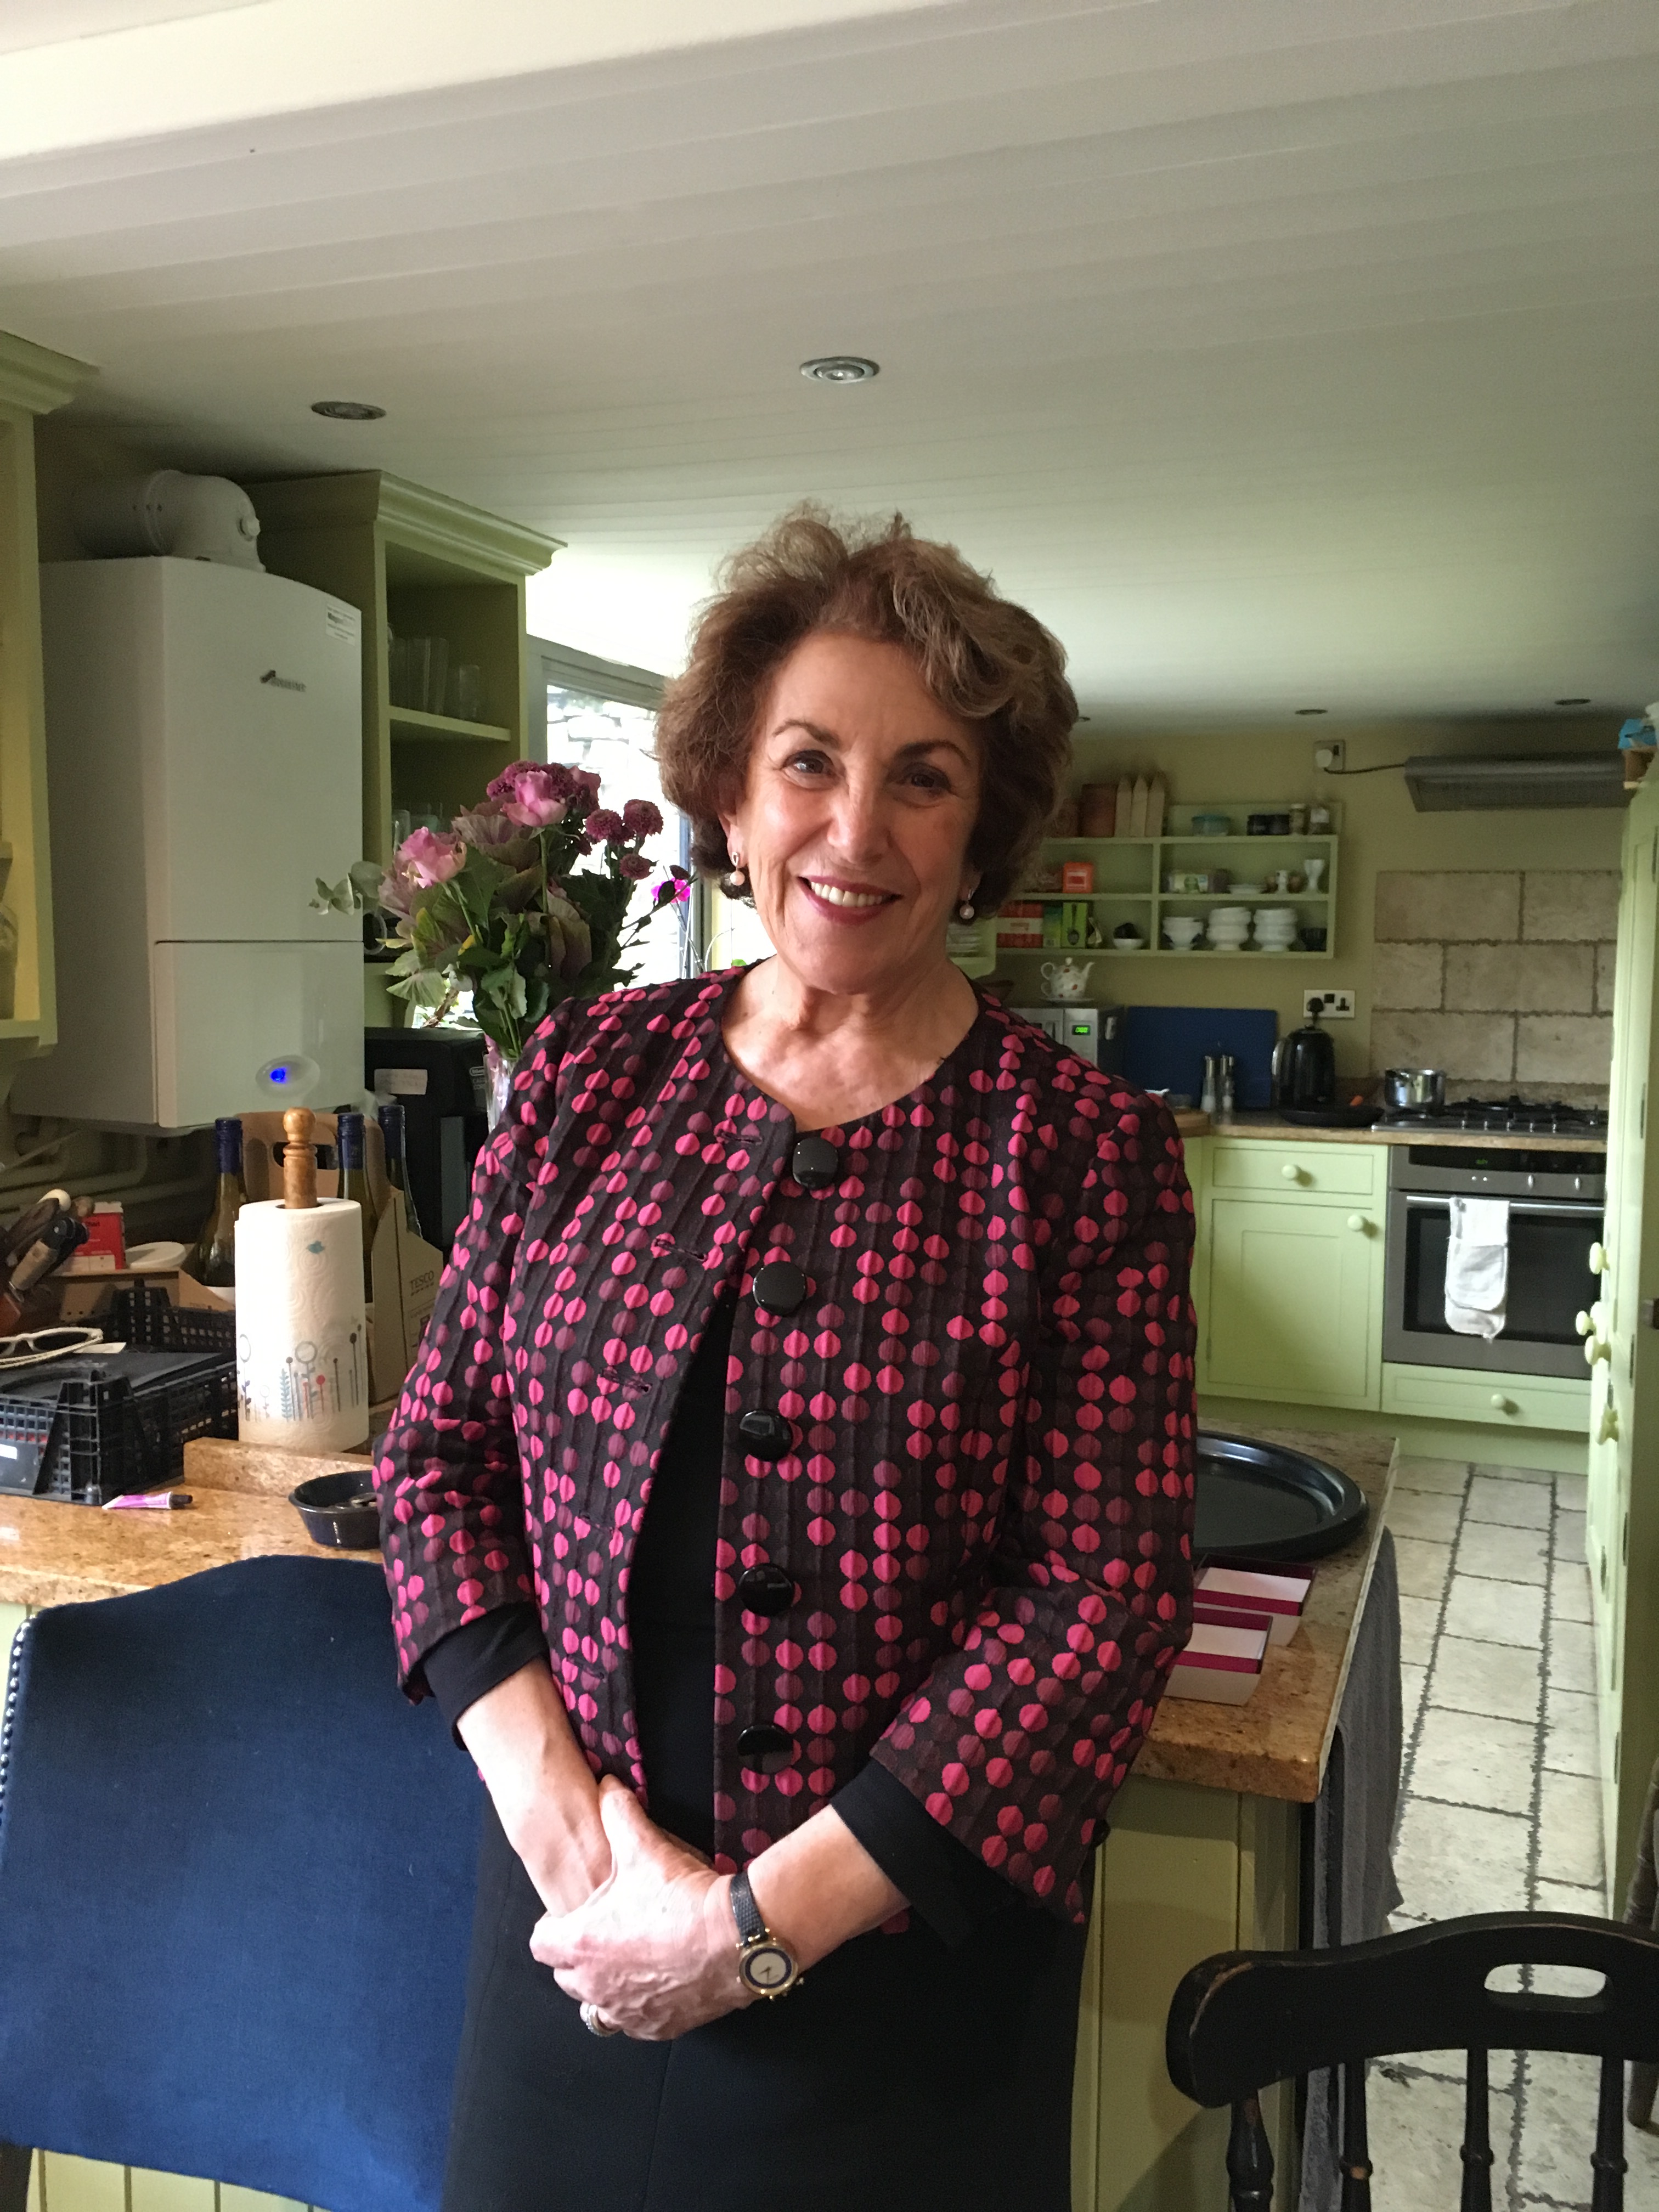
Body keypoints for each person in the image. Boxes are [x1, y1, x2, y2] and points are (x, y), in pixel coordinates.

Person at [374, 509, 1196, 2212]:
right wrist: (585, 1849)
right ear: (732, 796)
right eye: (807, 761)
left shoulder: (1081, 1151)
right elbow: (437, 1459)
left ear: (980, 839)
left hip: (901, 1958)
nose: (852, 827)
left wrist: (749, 1934)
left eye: (924, 779)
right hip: (574, 1923)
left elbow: (1101, 1596)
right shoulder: (594, 1073)